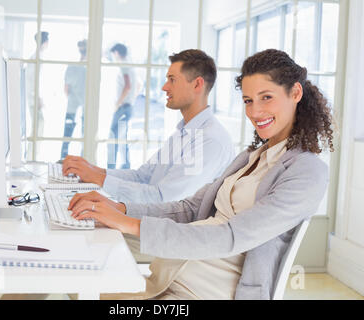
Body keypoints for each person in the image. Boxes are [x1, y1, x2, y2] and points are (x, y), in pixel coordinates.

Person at [68, 49, 334, 300]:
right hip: (169, 278)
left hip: (200, 293)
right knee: (71, 275)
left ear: (295, 92)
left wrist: (129, 223)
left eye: (267, 97)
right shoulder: (251, 157)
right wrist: (120, 208)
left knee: (77, 285)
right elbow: (191, 208)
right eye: (248, 101)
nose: (254, 112)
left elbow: (230, 235)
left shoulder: (307, 171)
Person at [63, 49, 234, 205]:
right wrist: (92, 170)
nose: (164, 87)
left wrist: (97, 178)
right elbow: (142, 177)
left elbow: (163, 199)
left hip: (165, 233)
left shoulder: (210, 140)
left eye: (172, 80)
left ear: (197, 85)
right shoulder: (183, 132)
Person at [107, 43, 136, 169]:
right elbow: (138, 85)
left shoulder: (124, 66)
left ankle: (110, 169)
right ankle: (126, 167)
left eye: (113, 54)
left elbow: (128, 85)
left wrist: (118, 103)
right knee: (122, 138)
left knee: (113, 138)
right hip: (128, 106)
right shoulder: (130, 66)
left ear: (117, 53)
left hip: (123, 107)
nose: (113, 57)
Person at [60, 39, 87, 159]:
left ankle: (63, 158)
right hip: (85, 106)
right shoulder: (92, 68)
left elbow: (66, 88)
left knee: (67, 135)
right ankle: (84, 158)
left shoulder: (72, 67)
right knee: (84, 136)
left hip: (72, 105)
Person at [26, 31, 49, 137]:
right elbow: (35, 80)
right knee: (39, 126)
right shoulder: (37, 58)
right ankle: (32, 153)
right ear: (45, 42)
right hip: (33, 98)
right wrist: (38, 98)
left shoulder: (35, 57)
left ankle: (33, 153)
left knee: (38, 126)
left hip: (33, 97)